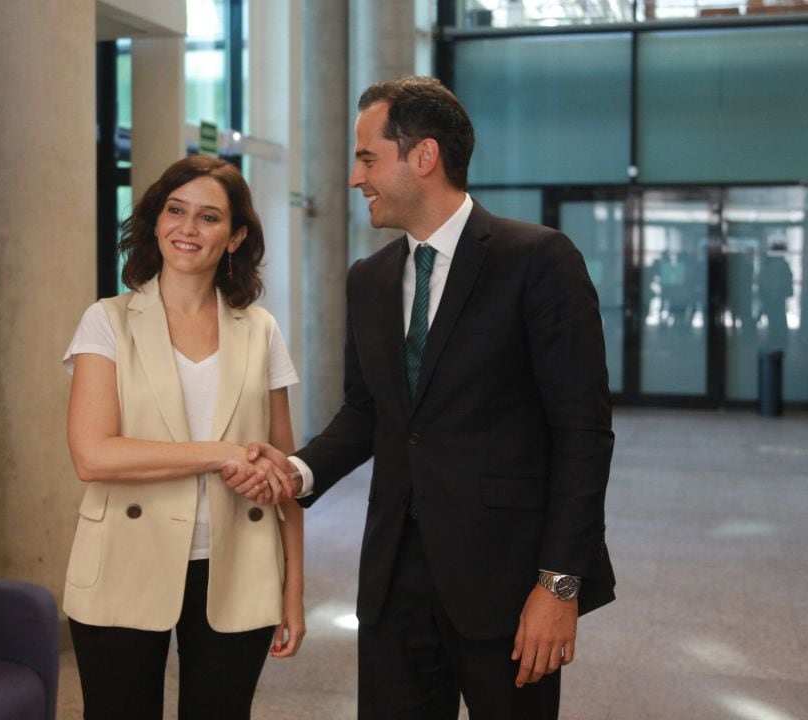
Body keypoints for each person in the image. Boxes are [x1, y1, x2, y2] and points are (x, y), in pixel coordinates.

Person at [230, 76, 615, 719]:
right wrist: (294, 470)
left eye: (367, 157)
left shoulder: (538, 260)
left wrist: (559, 584)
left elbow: (583, 434)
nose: (356, 178)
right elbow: (368, 414)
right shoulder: (369, 280)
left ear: (424, 157)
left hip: (507, 582)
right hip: (393, 582)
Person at [61, 155, 305, 720]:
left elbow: (286, 472)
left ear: (236, 236)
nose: (187, 229)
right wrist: (220, 454)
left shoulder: (260, 330)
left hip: (239, 561)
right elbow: (93, 455)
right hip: (124, 558)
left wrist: (293, 589)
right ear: (155, 221)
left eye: (209, 217)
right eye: (176, 211)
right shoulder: (107, 321)